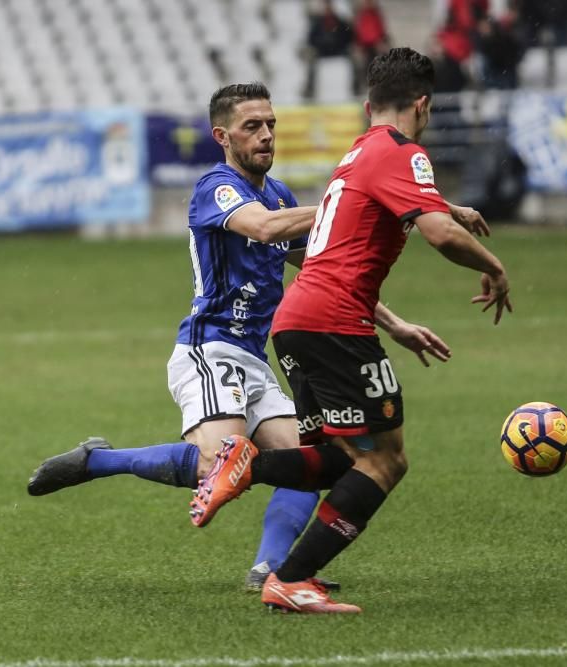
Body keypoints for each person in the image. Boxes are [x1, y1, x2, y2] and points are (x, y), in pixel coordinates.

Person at [26, 82, 455, 592]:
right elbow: (268, 229)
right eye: (253, 126)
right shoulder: (217, 186)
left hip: (258, 357)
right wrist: (355, 203)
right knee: (219, 461)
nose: (266, 135)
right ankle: (98, 461)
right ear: (223, 136)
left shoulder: (279, 193)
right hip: (209, 350)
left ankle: (270, 570)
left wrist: (396, 323)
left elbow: (319, 268)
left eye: (271, 124)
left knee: (313, 462)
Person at [188, 48, 512, 614]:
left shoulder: (359, 153)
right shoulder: (402, 152)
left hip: (298, 322)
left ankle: (244, 471)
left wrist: (398, 324)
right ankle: (290, 576)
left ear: (368, 106)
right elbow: (438, 233)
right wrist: (494, 266)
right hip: (336, 323)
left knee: (339, 459)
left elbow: (356, 231)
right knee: (387, 459)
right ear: (424, 105)